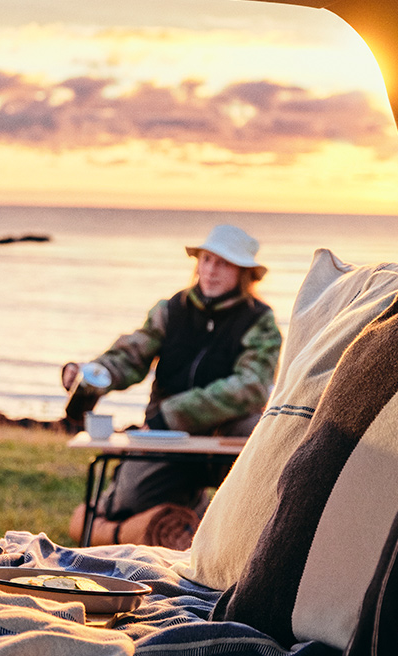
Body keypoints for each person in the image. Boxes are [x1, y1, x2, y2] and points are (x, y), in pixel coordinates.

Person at [62, 224, 282, 546]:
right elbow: (131, 356)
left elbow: (251, 386)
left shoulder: (260, 321)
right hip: (165, 435)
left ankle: (246, 538)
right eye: (206, 259)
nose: (211, 270)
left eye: (223, 263)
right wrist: (91, 374)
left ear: (243, 273)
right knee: (129, 504)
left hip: (223, 433)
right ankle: (189, 506)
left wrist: (174, 414)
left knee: (261, 468)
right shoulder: (170, 310)